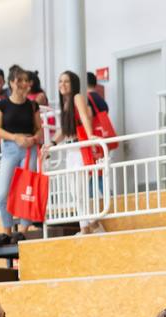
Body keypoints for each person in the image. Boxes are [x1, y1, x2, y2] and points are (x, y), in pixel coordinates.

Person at [0, 68, 43, 243]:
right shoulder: (2, 105)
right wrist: (16, 137)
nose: (24, 84)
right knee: (3, 192)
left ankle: (22, 229)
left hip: (29, 148)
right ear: (12, 83)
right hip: (10, 148)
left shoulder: (32, 105)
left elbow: (39, 128)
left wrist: (35, 138)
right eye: (20, 81)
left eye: (26, 81)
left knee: (27, 190)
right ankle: (6, 231)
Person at [50, 71, 101, 234]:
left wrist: (90, 135)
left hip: (81, 148)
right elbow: (64, 131)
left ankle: (87, 227)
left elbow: (85, 118)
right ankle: (90, 225)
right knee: (74, 192)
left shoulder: (77, 97)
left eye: (66, 82)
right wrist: (51, 143)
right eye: (60, 81)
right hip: (70, 150)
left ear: (73, 84)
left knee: (79, 190)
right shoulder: (64, 104)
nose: (62, 85)